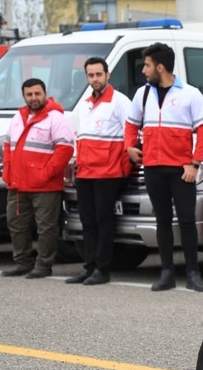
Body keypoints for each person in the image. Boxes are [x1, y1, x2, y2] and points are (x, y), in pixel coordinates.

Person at [125, 42, 203, 292]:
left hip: (182, 169)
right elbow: (131, 125)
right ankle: (167, 273)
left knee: (186, 221)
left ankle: (193, 273)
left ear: (160, 67)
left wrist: (194, 163)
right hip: (152, 168)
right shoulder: (142, 94)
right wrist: (129, 147)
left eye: (147, 66)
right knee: (162, 221)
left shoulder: (191, 94)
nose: (144, 71)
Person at [66, 57, 132, 286]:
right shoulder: (84, 104)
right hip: (86, 173)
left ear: (107, 74)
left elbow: (131, 136)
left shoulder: (120, 102)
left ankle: (102, 269)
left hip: (108, 173)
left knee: (104, 221)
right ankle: (89, 266)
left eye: (98, 75)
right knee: (88, 221)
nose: (94, 79)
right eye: (90, 75)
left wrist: (122, 168)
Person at [0, 78, 75, 279]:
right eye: (29, 94)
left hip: (45, 186)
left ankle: (43, 265)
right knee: (16, 224)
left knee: (46, 228)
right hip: (17, 184)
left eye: (37, 93)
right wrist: (7, 172)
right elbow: (8, 146)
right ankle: (23, 263)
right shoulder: (18, 117)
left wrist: (46, 173)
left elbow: (65, 149)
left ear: (45, 93)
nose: (34, 98)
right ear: (24, 96)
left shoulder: (55, 118)